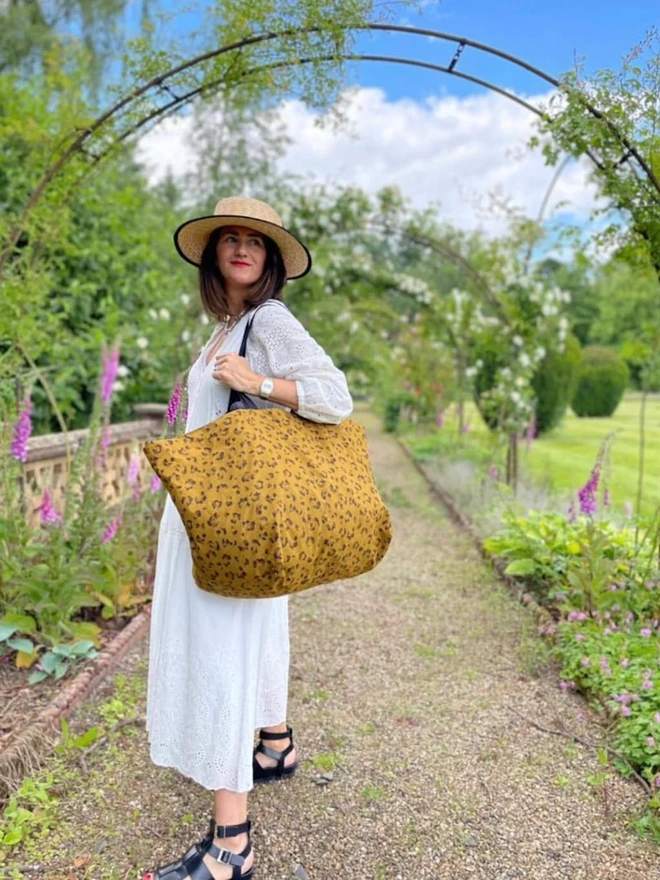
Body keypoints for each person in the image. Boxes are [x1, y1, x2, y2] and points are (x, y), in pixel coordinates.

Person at [143, 196, 353, 880]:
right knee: (249, 636)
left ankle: (232, 847)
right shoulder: (229, 326)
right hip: (221, 514)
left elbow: (334, 396)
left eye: (255, 242)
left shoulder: (269, 321)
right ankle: (274, 745)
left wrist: (258, 381)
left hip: (228, 521)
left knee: (218, 659)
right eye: (229, 239)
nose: (241, 248)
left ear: (269, 261)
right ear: (213, 255)